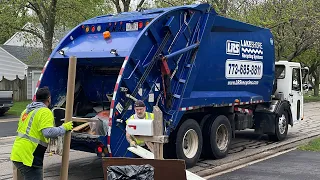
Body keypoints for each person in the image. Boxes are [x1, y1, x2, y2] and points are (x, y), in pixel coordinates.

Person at [10, 87, 73, 180]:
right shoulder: (45, 111)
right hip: (29, 157)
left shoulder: (26, 111)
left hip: (18, 153)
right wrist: (64, 128)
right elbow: (48, 132)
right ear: (49, 99)